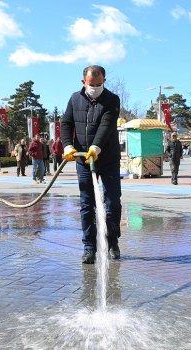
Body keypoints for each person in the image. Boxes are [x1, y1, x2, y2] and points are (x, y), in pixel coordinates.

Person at [60, 65, 122, 264]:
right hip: (83, 160)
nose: (95, 87)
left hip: (108, 159)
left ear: (104, 81)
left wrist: (96, 147)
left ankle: (112, 242)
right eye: (91, 84)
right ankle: (89, 247)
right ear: (83, 83)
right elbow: (66, 123)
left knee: (112, 203)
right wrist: (68, 145)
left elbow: (106, 125)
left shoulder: (112, 99)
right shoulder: (74, 99)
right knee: (87, 205)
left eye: (99, 84)